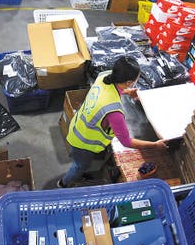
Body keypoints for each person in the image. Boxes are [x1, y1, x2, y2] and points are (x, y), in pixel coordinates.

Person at [60, 57, 167, 188]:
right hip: (84, 142)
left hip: (77, 126)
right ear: (129, 82)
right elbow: (126, 142)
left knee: (80, 161)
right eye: (136, 79)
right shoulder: (114, 111)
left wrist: (127, 92)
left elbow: (111, 89)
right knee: (80, 166)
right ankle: (64, 184)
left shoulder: (104, 76)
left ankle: (77, 167)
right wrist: (155, 145)